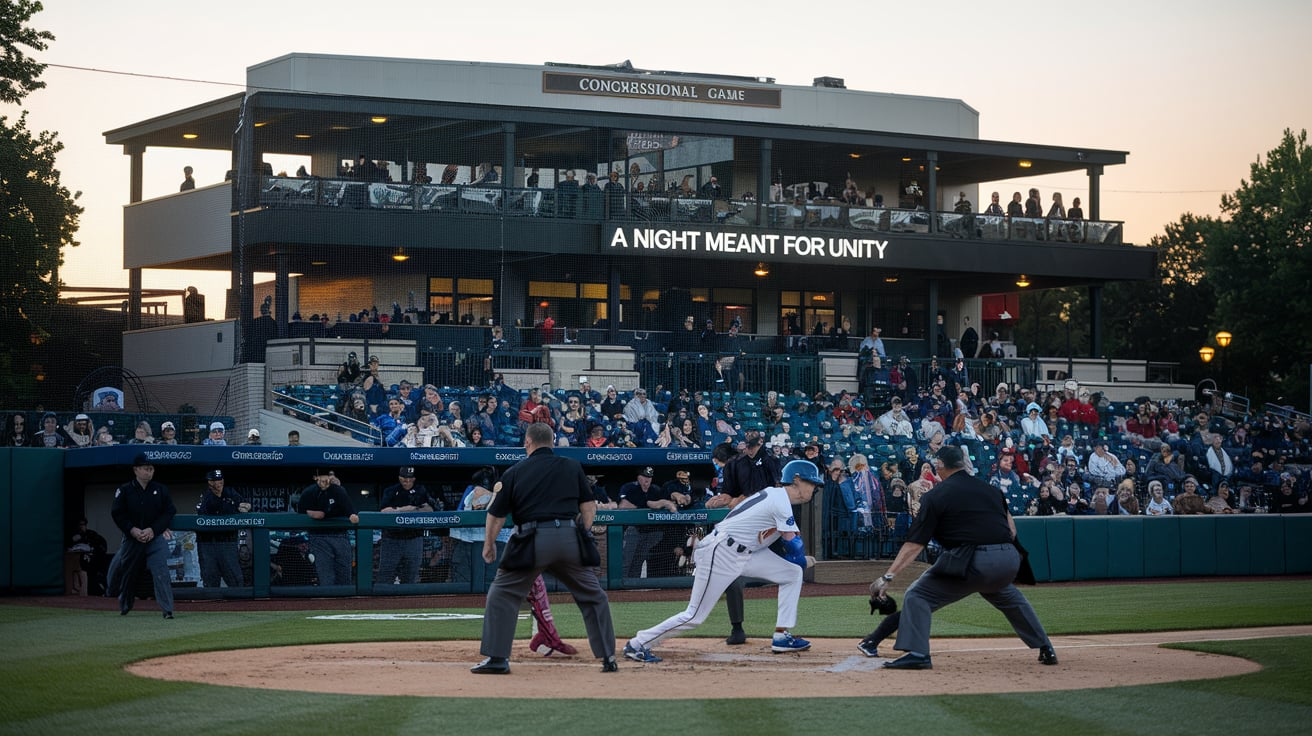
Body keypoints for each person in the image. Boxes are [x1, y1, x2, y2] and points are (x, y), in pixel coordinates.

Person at [874, 446, 1056, 670]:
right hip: (1009, 560)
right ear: (962, 463)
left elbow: (915, 544)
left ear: (940, 465)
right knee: (1010, 597)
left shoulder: (935, 495)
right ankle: (1045, 647)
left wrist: (888, 577)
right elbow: (1011, 530)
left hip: (972, 561)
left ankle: (918, 653)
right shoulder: (990, 490)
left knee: (917, 595)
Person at [623, 459, 821, 664]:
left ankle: (782, 635)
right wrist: (801, 561)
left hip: (746, 553)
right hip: (721, 552)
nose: (815, 488)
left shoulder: (777, 497)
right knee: (694, 616)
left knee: (792, 574)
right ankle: (638, 643)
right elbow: (794, 547)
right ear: (797, 480)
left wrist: (797, 563)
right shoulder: (780, 501)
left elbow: (783, 544)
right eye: (812, 483)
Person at [470, 423, 618, 675]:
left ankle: (497, 659)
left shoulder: (515, 471)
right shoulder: (572, 466)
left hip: (530, 540)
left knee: (502, 594)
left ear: (527, 442)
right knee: (594, 595)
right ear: (551, 442)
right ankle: (608, 657)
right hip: (568, 538)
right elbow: (589, 507)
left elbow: (495, 515)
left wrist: (488, 545)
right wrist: (582, 533)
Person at [712, 430, 783, 645]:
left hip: (767, 524)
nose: (750, 449)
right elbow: (729, 493)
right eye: (747, 445)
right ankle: (737, 629)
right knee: (732, 576)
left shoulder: (771, 461)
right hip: (743, 525)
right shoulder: (736, 463)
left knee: (791, 571)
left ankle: (783, 631)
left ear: (760, 442)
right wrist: (721, 500)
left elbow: (777, 492)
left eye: (753, 445)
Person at [106, 454, 178, 618]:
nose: (149, 472)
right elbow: (117, 514)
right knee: (128, 572)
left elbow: (169, 512)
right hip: (133, 538)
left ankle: (167, 610)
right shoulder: (125, 490)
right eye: (146, 468)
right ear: (136, 470)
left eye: (151, 469)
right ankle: (125, 604)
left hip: (154, 537)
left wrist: (153, 529)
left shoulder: (160, 489)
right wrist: (132, 530)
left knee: (161, 572)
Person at [297, 468, 360, 586]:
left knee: (344, 575)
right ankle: (327, 602)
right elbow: (301, 512)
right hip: (318, 536)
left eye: (327, 478)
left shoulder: (338, 491)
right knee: (326, 576)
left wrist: (352, 516)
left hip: (340, 535)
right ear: (316, 478)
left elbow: (350, 511)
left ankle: (345, 602)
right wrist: (311, 513)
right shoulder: (309, 492)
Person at [378, 467, 435, 585]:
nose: (407, 482)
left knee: (411, 576)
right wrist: (403, 509)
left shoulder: (420, 490)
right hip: (392, 539)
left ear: (414, 479)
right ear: (400, 478)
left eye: (410, 479)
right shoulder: (391, 490)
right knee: (386, 575)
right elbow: (384, 511)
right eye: (405, 479)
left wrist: (414, 509)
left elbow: (429, 509)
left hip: (413, 538)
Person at [195, 468, 250, 589]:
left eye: (220, 480)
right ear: (210, 482)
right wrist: (235, 507)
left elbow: (245, 505)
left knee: (236, 579)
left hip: (227, 541)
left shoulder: (230, 492)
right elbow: (206, 511)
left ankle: (239, 606)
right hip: (208, 543)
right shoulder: (206, 497)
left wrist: (243, 507)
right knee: (210, 579)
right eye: (215, 480)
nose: (218, 483)